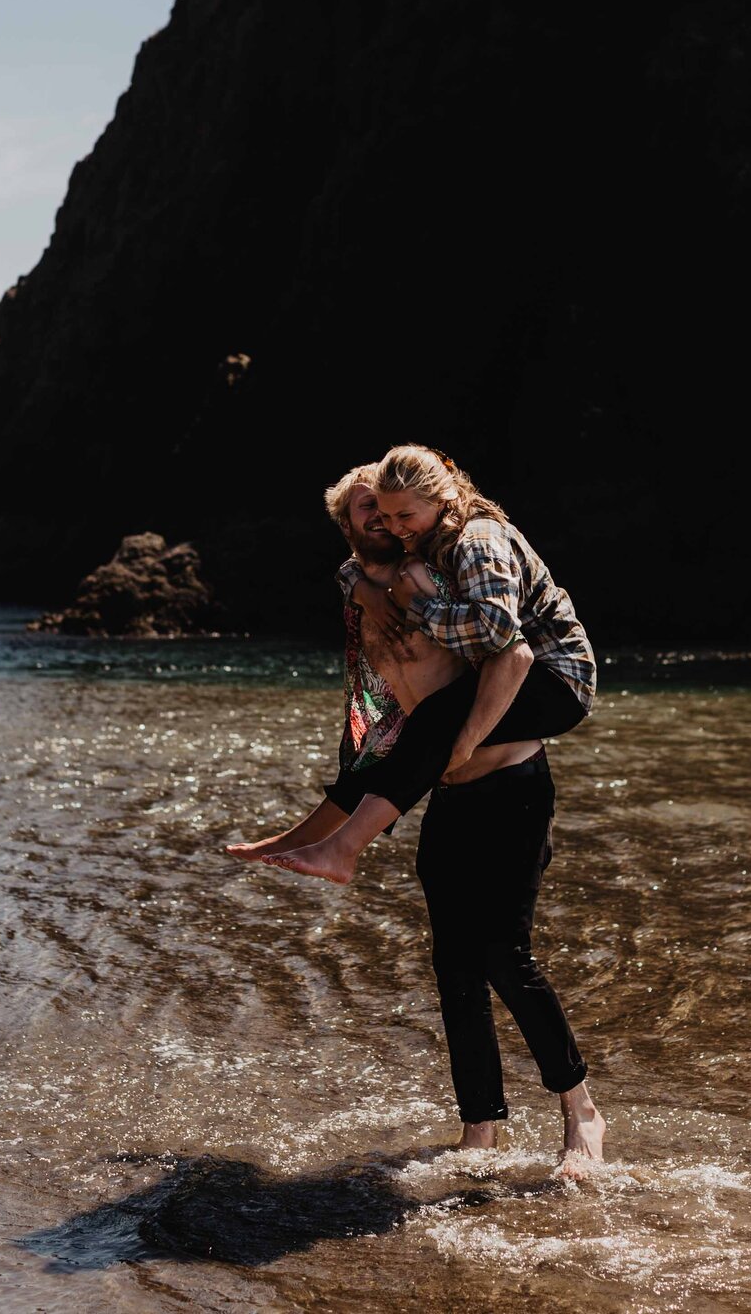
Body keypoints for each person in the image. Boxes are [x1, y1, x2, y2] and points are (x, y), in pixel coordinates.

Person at [235, 457, 605, 1168]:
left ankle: (580, 1110)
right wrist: (284, 840)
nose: (384, 522)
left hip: (511, 785)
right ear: (349, 527)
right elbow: (377, 750)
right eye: (368, 513)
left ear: (419, 513)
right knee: (454, 967)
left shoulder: (437, 573)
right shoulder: (370, 604)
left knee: (505, 955)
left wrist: (459, 742)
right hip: (450, 798)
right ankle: (480, 1135)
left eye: (392, 510)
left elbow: (511, 652)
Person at [270, 444, 596, 886]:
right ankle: (322, 844)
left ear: (441, 499)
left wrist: (418, 608)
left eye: (403, 516)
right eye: (385, 516)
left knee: (435, 719)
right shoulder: (430, 542)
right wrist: (360, 588)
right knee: (410, 731)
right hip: (516, 693)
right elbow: (357, 565)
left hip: (560, 677)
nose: (393, 527)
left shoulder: (477, 540)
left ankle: (342, 849)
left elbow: (497, 631)